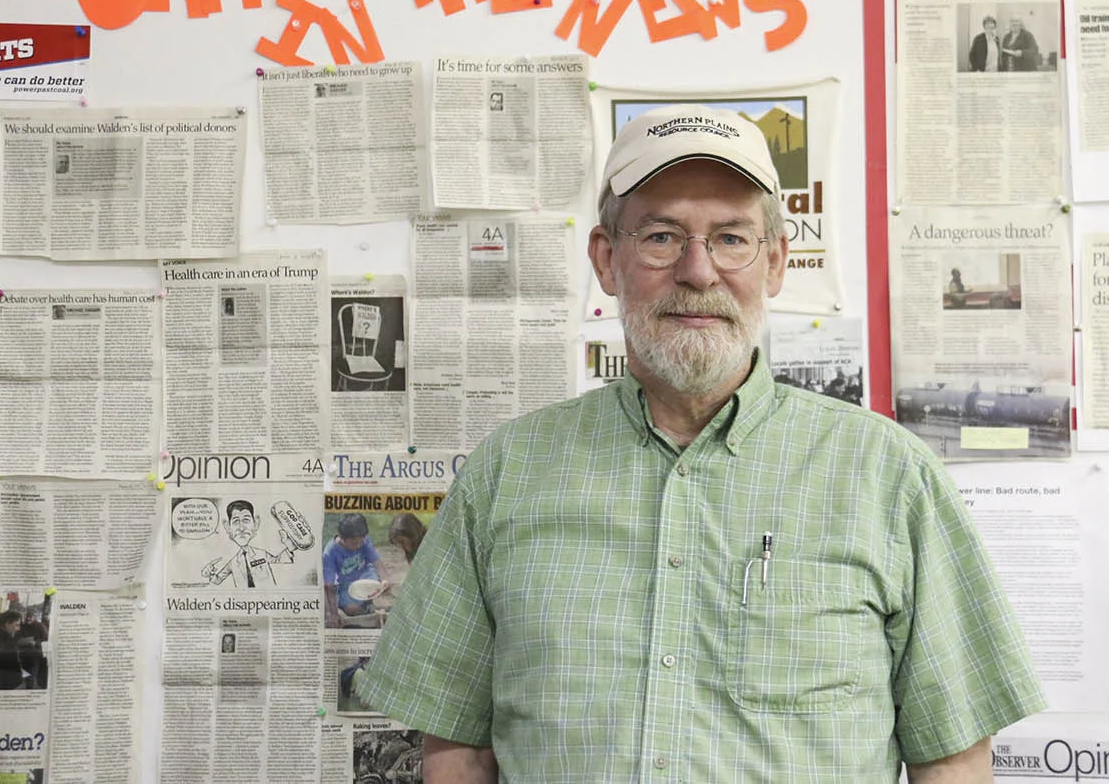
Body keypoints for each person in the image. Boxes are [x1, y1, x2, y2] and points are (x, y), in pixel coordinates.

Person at [357, 105, 1044, 782]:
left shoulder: (891, 476)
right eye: (661, 236)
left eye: (731, 238)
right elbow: (459, 750)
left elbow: (951, 758)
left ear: (775, 261)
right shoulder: (506, 473)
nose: (698, 270)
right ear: (607, 259)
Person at [201, 499, 292, 588]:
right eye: (236, 521)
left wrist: (289, 545)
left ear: (255, 523)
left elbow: (279, 561)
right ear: (228, 527)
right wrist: (209, 574)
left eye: (246, 520)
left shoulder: (261, 554)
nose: (241, 528)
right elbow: (217, 580)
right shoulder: (233, 563)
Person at [323, 512, 392, 628]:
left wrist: (385, 580)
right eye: (355, 543)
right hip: (345, 584)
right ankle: (365, 611)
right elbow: (329, 586)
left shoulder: (364, 540)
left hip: (365, 576)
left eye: (361, 541)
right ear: (341, 537)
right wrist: (333, 613)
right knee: (351, 609)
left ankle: (368, 602)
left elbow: (377, 563)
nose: (359, 545)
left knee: (378, 585)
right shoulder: (330, 552)